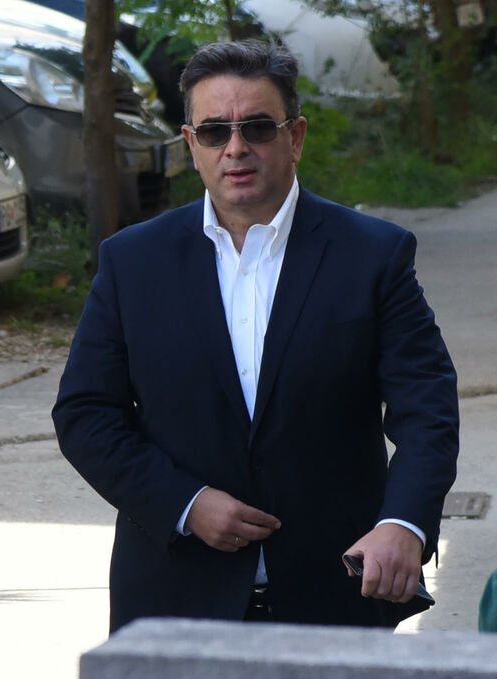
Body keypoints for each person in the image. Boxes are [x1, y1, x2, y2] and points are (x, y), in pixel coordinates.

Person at [53, 40, 459, 633]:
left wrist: (403, 524)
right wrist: (185, 503)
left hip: (334, 597)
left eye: (258, 128)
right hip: (174, 597)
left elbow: (427, 410)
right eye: (215, 131)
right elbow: (86, 413)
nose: (236, 147)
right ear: (191, 144)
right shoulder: (132, 262)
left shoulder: (374, 255)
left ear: (295, 137)